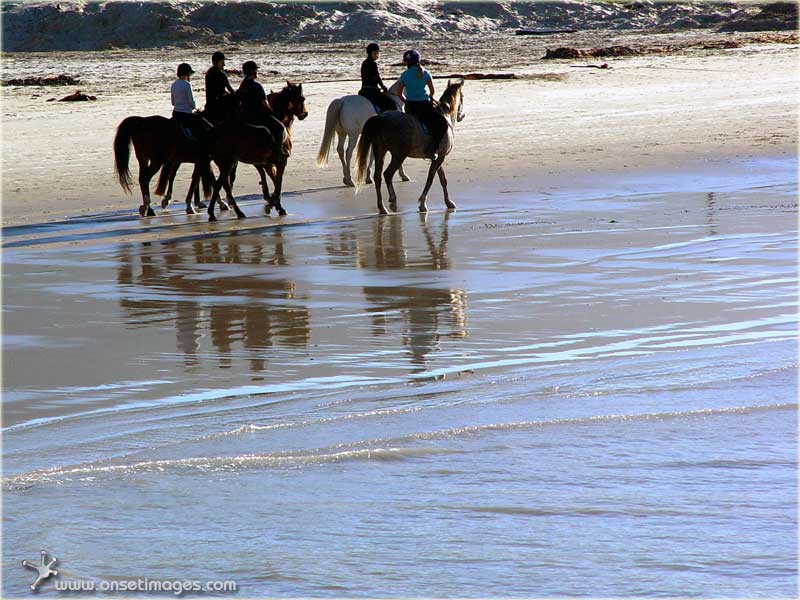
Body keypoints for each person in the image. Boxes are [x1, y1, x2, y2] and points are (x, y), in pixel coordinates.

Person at [396, 49, 448, 156]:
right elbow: (432, 91)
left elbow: (399, 94)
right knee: (442, 124)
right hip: (424, 105)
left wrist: (406, 101)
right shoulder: (426, 73)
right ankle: (433, 149)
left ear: (407, 62)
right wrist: (431, 97)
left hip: (410, 107)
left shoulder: (404, 74)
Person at [237, 60, 289, 157]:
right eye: (256, 70)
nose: (257, 72)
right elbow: (264, 102)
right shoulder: (257, 86)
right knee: (280, 128)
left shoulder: (243, 85)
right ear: (252, 72)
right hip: (257, 115)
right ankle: (278, 151)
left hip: (244, 115)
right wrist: (271, 110)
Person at [170, 62, 206, 141]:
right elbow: (191, 102)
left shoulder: (173, 84)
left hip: (175, 114)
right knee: (201, 126)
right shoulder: (187, 84)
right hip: (186, 115)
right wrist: (197, 108)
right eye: (190, 74)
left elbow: (173, 102)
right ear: (187, 73)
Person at [359, 43, 396, 113]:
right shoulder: (373, 63)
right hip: (372, 91)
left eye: (378, 53)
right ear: (370, 53)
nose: (377, 55)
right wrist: (383, 87)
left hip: (363, 90)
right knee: (391, 104)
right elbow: (377, 77)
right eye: (375, 53)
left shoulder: (364, 62)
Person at [204, 51, 235, 124]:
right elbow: (230, 89)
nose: (224, 64)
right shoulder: (221, 74)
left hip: (210, 104)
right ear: (216, 62)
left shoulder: (208, 73)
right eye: (222, 62)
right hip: (219, 104)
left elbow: (219, 89)